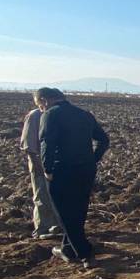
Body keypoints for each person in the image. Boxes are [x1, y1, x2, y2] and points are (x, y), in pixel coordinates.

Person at [38, 88, 109, 266]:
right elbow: (104, 139)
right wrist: (93, 159)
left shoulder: (50, 115)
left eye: (39, 105)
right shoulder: (84, 114)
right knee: (78, 210)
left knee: (64, 214)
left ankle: (86, 253)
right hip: (86, 170)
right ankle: (67, 249)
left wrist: (47, 169)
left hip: (62, 170)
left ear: (44, 100)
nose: (40, 108)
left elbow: (47, 143)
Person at [20, 94, 61, 239]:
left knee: (56, 197)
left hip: (54, 164)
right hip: (39, 164)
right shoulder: (34, 116)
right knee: (41, 196)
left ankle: (57, 227)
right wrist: (39, 166)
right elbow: (29, 146)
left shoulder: (54, 115)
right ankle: (42, 228)